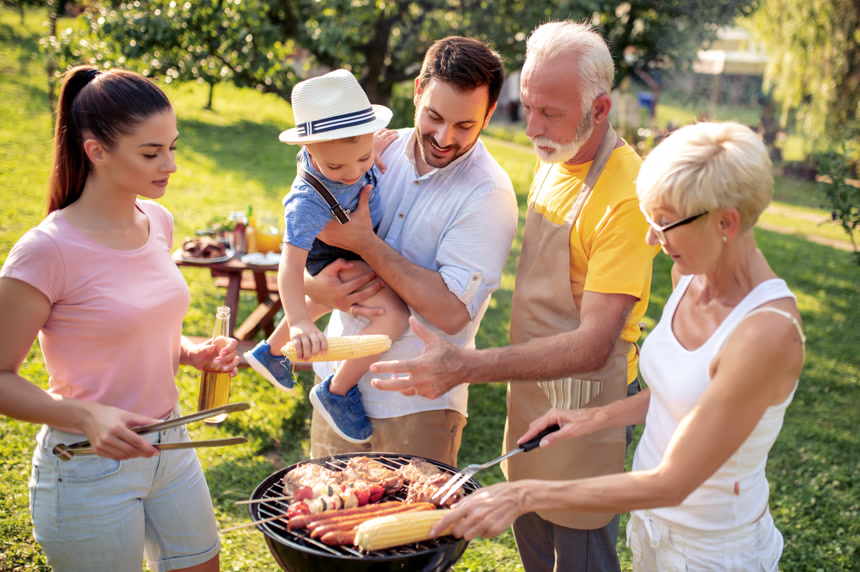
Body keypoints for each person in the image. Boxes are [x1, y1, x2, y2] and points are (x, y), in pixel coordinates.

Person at [427, 121, 805, 572]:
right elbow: (687, 393)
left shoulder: (767, 333)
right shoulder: (689, 274)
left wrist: (524, 494)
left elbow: (672, 482)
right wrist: (594, 417)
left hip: (713, 549)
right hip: (652, 530)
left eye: (663, 224)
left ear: (726, 222)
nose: (650, 239)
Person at [371, 21, 660, 571]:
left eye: (550, 112)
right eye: (527, 106)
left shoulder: (626, 195)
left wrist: (465, 366)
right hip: (530, 390)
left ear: (600, 110)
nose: (532, 127)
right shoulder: (557, 154)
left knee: (579, 558)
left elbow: (595, 345)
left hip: (587, 402)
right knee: (532, 552)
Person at [0, 66, 240, 572]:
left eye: (172, 146)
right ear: (97, 151)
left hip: (171, 442)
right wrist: (87, 415)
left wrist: (190, 351)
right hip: (87, 463)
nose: (170, 164)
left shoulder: (158, 222)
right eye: (152, 153)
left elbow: (135, 328)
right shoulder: (45, 252)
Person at [301, 36, 519, 467]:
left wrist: (365, 242)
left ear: (489, 114)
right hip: (333, 387)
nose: (443, 137)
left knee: (407, 536)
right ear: (418, 90)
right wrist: (316, 286)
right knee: (322, 527)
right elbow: (311, 238)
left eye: (464, 126)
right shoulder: (369, 152)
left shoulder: (488, 194)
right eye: (434, 117)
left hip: (417, 409)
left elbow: (452, 313)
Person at [243, 69, 409, 444]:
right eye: (335, 167)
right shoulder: (306, 202)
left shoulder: (355, 150)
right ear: (308, 150)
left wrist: (375, 151)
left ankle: (270, 352)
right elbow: (289, 265)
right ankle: (337, 391)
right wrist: (300, 321)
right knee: (395, 316)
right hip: (335, 253)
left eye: (362, 157)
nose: (352, 173)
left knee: (331, 300)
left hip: (352, 243)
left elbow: (356, 154)